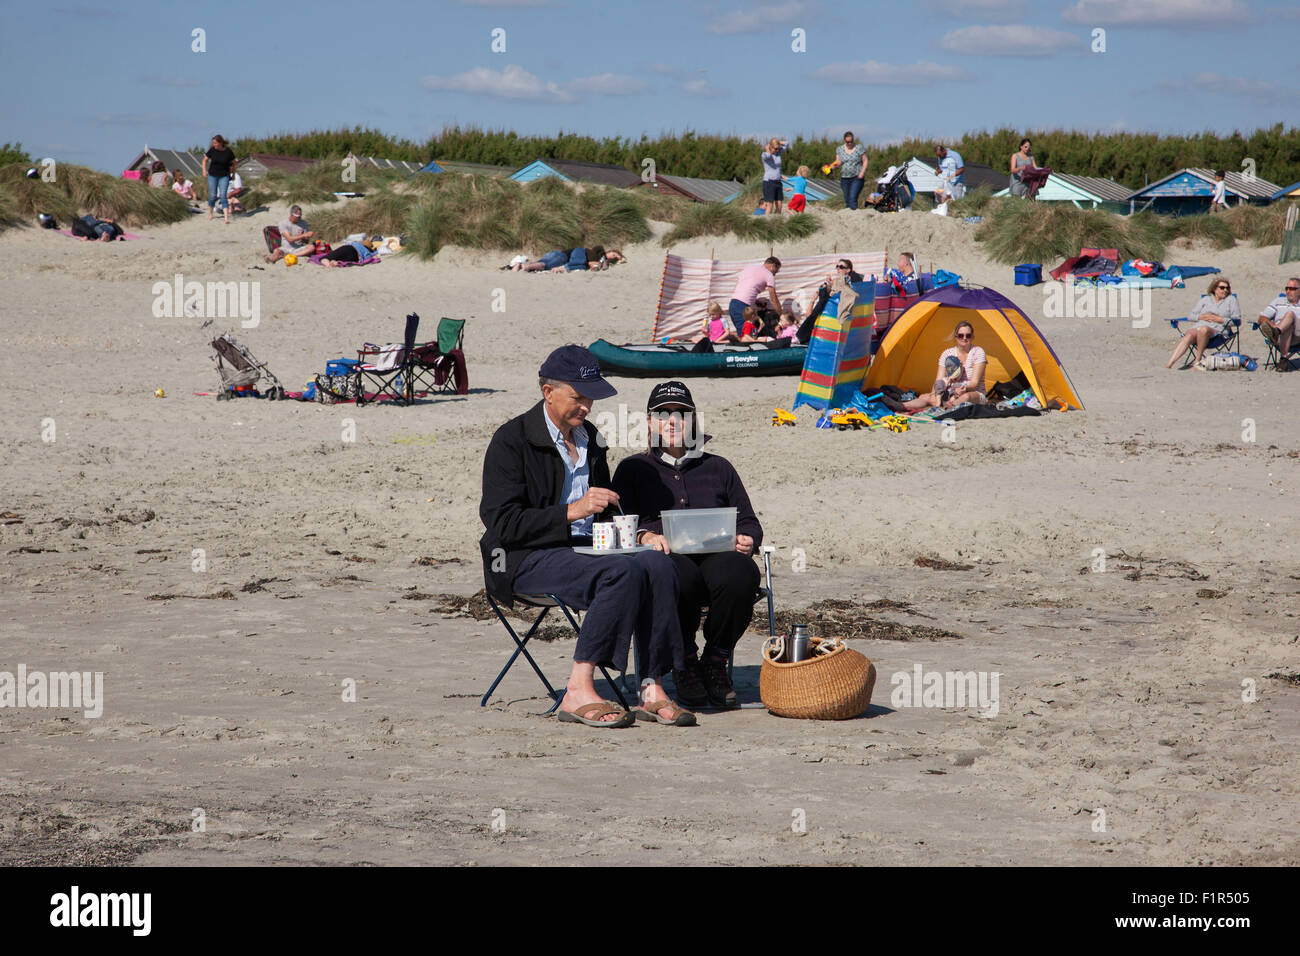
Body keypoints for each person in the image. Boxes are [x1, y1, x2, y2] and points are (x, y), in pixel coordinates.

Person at [479, 346, 695, 728]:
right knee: (619, 572)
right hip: (523, 558)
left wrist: (640, 535)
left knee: (656, 564)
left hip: (584, 549)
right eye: (579, 397)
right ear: (548, 392)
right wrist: (570, 511)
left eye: (591, 397)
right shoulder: (511, 441)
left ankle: (651, 686)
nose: (587, 406)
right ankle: (578, 687)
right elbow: (501, 523)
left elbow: (606, 507)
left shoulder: (590, 437)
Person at [612, 381, 763, 709]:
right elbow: (615, 523)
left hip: (716, 554)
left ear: (693, 421)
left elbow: (750, 522)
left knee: (741, 573)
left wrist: (747, 539)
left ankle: (715, 659)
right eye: (662, 414)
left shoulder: (718, 467)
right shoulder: (633, 469)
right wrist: (644, 536)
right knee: (677, 576)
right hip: (664, 558)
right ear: (650, 422)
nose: (672, 420)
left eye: (681, 414)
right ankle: (685, 662)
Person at [903, 321, 988, 410]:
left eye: (968, 335)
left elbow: (974, 384)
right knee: (926, 397)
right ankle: (901, 405)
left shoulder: (978, 352)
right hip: (950, 392)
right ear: (956, 337)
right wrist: (934, 394)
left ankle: (947, 406)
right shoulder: (947, 354)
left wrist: (964, 388)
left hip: (973, 392)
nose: (964, 338)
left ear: (973, 337)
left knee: (966, 397)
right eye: (961, 335)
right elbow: (939, 380)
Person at [1166, 277, 1239, 369]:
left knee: (1204, 329)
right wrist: (1202, 317)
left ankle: (1197, 360)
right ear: (1214, 289)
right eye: (1222, 288)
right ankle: (1169, 364)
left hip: (1219, 332)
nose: (1225, 290)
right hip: (1200, 327)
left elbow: (1237, 321)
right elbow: (1191, 316)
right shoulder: (1206, 299)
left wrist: (1219, 319)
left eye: (1227, 288)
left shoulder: (1231, 300)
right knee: (1190, 334)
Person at [796, 259, 863, 344]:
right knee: (815, 311)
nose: (838, 269)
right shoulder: (836, 281)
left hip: (835, 315)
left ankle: (802, 336)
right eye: (837, 267)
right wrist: (829, 286)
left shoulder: (851, 282)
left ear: (848, 270)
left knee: (815, 312)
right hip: (829, 313)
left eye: (841, 267)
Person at [727, 256, 781, 333]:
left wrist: (755, 301)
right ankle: (726, 337)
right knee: (746, 336)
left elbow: (742, 288)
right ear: (772, 266)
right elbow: (774, 298)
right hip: (744, 308)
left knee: (747, 333)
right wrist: (780, 315)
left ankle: (726, 337)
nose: (775, 274)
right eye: (776, 271)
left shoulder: (749, 268)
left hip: (733, 304)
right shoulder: (769, 274)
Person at [1258, 277, 1299, 372]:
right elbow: (1262, 318)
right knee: (1287, 327)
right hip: (1281, 337)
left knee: (1290, 314)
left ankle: (1276, 332)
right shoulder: (1278, 301)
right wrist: (1273, 326)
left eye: (1292, 289)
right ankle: (1283, 361)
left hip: (1297, 336)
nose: (1288, 291)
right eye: (1287, 288)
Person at [202, 134, 237, 224]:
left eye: (215, 143)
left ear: (220, 142)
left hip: (224, 176)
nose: (214, 145)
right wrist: (204, 171)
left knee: (223, 195)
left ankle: (226, 218)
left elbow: (234, 163)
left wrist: (233, 174)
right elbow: (204, 160)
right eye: (213, 143)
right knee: (213, 195)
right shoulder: (212, 150)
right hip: (212, 175)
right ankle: (210, 213)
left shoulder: (228, 152)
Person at [827, 131, 868, 209]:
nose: (849, 143)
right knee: (847, 199)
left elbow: (865, 160)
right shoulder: (840, 149)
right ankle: (848, 217)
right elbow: (838, 162)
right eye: (847, 142)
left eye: (851, 141)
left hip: (857, 177)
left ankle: (854, 214)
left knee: (853, 198)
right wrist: (830, 167)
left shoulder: (859, 148)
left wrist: (862, 172)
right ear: (844, 141)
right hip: (844, 177)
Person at [514, 247, 624, 272]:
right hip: (563, 256)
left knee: (541, 263)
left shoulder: (598, 258)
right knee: (544, 265)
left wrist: (620, 260)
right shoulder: (599, 251)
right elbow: (599, 264)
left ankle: (519, 264)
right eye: (614, 255)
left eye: (615, 259)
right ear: (609, 251)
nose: (612, 258)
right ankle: (526, 266)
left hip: (558, 254)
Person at [761, 138, 787, 215]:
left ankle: (777, 220)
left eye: (778, 149)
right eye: (775, 149)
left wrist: (779, 142)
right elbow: (768, 156)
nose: (777, 150)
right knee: (770, 205)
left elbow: (787, 143)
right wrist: (768, 149)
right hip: (769, 182)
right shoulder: (765, 154)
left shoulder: (778, 153)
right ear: (770, 147)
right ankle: (766, 221)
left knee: (779, 204)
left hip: (778, 182)